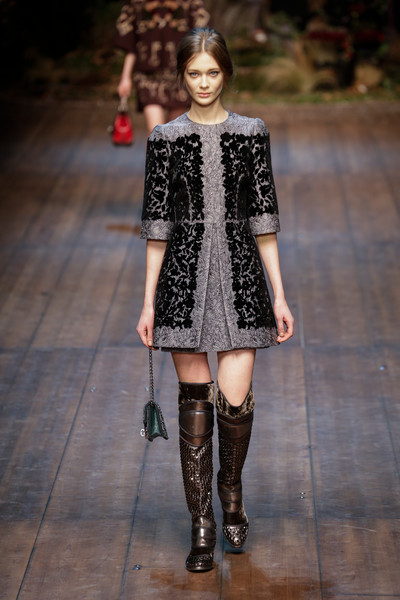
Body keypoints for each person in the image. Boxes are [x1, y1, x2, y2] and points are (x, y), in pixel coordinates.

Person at [136, 27, 294, 572]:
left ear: (226, 74)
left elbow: (264, 220)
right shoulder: (165, 139)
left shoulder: (252, 132)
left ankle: (231, 488)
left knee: (234, 404)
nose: (203, 83)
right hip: (181, 281)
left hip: (243, 280)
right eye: (194, 73)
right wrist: (148, 303)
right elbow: (157, 226)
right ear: (182, 76)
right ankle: (202, 521)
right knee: (195, 406)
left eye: (212, 72)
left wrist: (279, 295)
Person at [114, 0, 209, 136]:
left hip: (180, 75)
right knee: (154, 132)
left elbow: (201, 40)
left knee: (174, 134)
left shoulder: (189, 3)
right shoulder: (137, 3)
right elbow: (131, 43)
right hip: (148, 77)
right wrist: (125, 77)